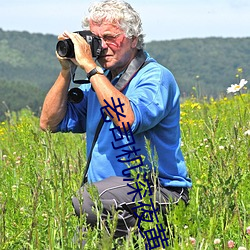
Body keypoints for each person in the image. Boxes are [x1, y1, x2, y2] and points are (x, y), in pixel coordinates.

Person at [40, 0, 192, 246]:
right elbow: (49, 122)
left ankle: (155, 235)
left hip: (159, 191)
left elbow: (126, 120)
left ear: (133, 39)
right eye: (96, 39)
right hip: (110, 200)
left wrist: (90, 67)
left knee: (87, 200)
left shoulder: (154, 77)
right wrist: (66, 70)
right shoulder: (99, 83)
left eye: (110, 37)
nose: (102, 47)